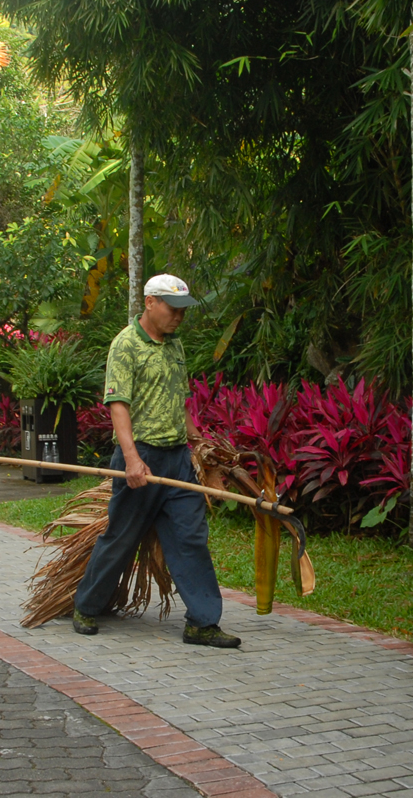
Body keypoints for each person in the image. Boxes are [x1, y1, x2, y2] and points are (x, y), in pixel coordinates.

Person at [71, 273, 241, 648]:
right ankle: (86, 606)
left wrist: (198, 441)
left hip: (177, 458)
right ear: (150, 302)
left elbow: (179, 402)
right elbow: (118, 405)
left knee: (190, 538)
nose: (178, 316)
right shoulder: (126, 344)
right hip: (141, 458)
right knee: (121, 537)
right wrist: (132, 459)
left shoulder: (175, 346)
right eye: (172, 308)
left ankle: (202, 623)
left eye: (183, 310)